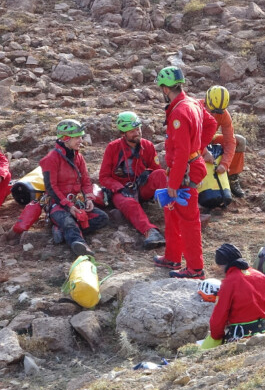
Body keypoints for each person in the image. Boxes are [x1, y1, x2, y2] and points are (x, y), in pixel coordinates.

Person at [152, 66, 219, 279]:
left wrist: (173, 182)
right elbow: (212, 123)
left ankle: (195, 268)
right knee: (172, 212)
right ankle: (172, 256)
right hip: (186, 167)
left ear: (165, 89)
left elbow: (181, 152)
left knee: (189, 220)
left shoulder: (179, 112)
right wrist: (198, 148)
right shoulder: (193, 103)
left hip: (184, 171)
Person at [39, 119, 108, 256]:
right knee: (68, 221)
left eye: (80, 137)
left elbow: (86, 181)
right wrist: (69, 206)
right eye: (77, 137)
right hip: (58, 204)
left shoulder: (79, 157)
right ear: (65, 138)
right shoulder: (51, 159)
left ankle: (62, 231)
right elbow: (51, 188)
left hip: (77, 202)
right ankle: (80, 245)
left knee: (102, 218)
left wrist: (88, 198)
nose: (80, 140)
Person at [98, 111, 166, 249]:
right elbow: (104, 177)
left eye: (138, 129)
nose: (137, 133)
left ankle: (180, 214)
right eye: (132, 131)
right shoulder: (112, 148)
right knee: (129, 203)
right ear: (123, 134)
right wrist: (119, 188)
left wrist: (147, 173)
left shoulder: (147, 146)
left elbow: (156, 169)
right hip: (121, 191)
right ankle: (150, 232)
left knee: (161, 174)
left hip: (141, 188)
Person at [209, 244, 265, 342]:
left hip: (241, 336)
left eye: (219, 266)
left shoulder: (229, 282)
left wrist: (216, 336)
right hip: (263, 331)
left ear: (222, 265)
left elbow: (219, 316)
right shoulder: (260, 275)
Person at [200, 85, 248, 198]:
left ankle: (232, 178)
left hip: (210, 139)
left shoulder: (224, 115)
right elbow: (188, 138)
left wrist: (225, 164)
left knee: (240, 141)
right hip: (193, 142)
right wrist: (204, 151)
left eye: (219, 112)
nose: (215, 115)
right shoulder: (195, 108)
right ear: (206, 102)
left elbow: (230, 141)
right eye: (213, 111)